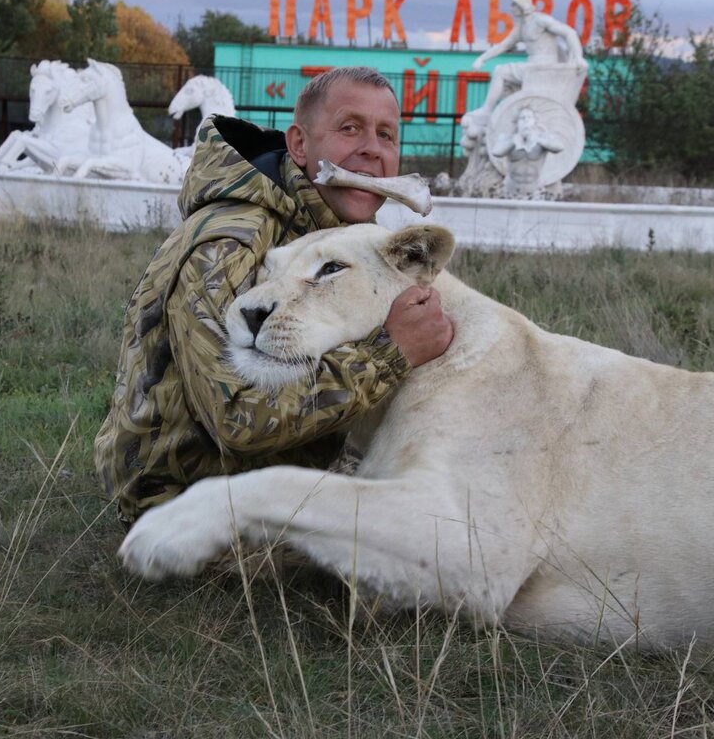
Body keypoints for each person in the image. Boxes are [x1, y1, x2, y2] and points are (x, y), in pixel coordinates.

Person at [94, 66, 453, 526]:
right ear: (300, 145)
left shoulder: (342, 234)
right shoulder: (229, 242)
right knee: (431, 546)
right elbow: (237, 417)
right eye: (349, 128)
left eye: (386, 135)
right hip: (188, 502)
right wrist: (391, 354)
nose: (371, 149)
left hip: (290, 477)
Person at [468, 0, 588, 129]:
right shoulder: (521, 27)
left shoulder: (541, 20)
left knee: (500, 71)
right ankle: (511, 112)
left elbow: (569, 33)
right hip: (533, 65)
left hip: (545, 66)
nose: (511, 8)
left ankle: (487, 110)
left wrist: (578, 57)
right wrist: (482, 59)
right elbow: (504, 45)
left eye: (514, 4)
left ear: (522, 6)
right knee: (505, 83)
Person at [491, 106, 565, 198]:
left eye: (529, 117)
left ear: (534, 121)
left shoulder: (542, 137)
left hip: (535, 191)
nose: (526, 120)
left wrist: (538, 140)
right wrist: (514, 141)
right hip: (510, 190)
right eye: (522, 118)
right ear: (517, 122)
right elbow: (496, 152)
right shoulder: (508, 137)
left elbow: (559, 147)